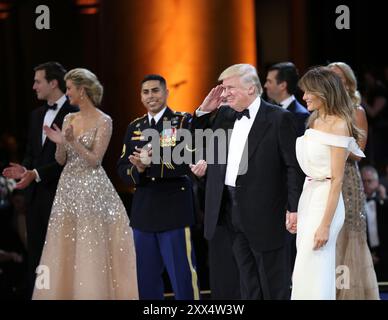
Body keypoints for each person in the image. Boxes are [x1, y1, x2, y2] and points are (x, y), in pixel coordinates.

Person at [191, 63, 304, 299]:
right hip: (230, 212)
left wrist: (294, 208)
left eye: (230, 87)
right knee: (247, 283)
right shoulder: (223, 114)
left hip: (267, 214)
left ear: (251, 88)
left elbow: (293, 168)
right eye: (223, 88)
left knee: (273, 284)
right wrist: (203, 111)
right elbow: (197, 141)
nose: (225, 93)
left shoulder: (280, 119)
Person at [32, 68, 138, 299]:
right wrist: (60, 142)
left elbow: (94, 160)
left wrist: (73, 142)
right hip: (68, 188)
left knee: (89, 246)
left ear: (82, 89)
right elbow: (61, 160)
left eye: (69, 88)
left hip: (92, 190)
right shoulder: (69, 118)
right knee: (63, 245)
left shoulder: (104, 120)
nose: (67, 92)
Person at [117, 74, 200, 300]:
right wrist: (139, 169)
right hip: (143, 212)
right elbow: (122, 168)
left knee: (182, 277)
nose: (151, 96)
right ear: (140, 96)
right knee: (145, 279)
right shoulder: (134, 126)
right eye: (146, 92)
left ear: (166, 93)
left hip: (174, 211)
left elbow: (186, 161)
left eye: (155, 90)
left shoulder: (183, 122)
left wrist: (151, 162)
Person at [2, 62, 78, 296]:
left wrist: (36, 174)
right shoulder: (36, 115)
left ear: (53, 83)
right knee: (38, 254)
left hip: (64, 195)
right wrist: (24, 171)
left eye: (38, 81)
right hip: (36, 198)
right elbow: (31, 154)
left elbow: (71, 159)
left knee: (64, 254)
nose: (33, 86)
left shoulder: (75, 113)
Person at [291, 67, 366, 300]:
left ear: (323, 92)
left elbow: (336, 180)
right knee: (304, 267)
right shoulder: (314, 119)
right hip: (309, 195)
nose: (304, 97)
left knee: (316, 266)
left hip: (326, 201)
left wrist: (324, 224)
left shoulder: (340, 124)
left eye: (308, 92)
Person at [328, 62, 379, 300]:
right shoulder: (319, 111)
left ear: (348, 83)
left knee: (346, 236)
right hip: (323, 180)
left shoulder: (356, 111)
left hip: (347, 181)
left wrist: (329, 147)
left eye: (337, 77)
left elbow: (359, 153)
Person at [264, 62, 310, 136]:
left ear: (283, 85)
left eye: (269, 81)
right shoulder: (267, 109)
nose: (265, 85)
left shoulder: (301, 116)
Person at [361, 165, 388, 282]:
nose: (366, 184)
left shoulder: (383, 201)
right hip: (364, 253)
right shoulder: (357, 204)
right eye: (363, 181)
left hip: (384, 253)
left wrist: (384, 197)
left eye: (370, 181)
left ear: (377, 182)